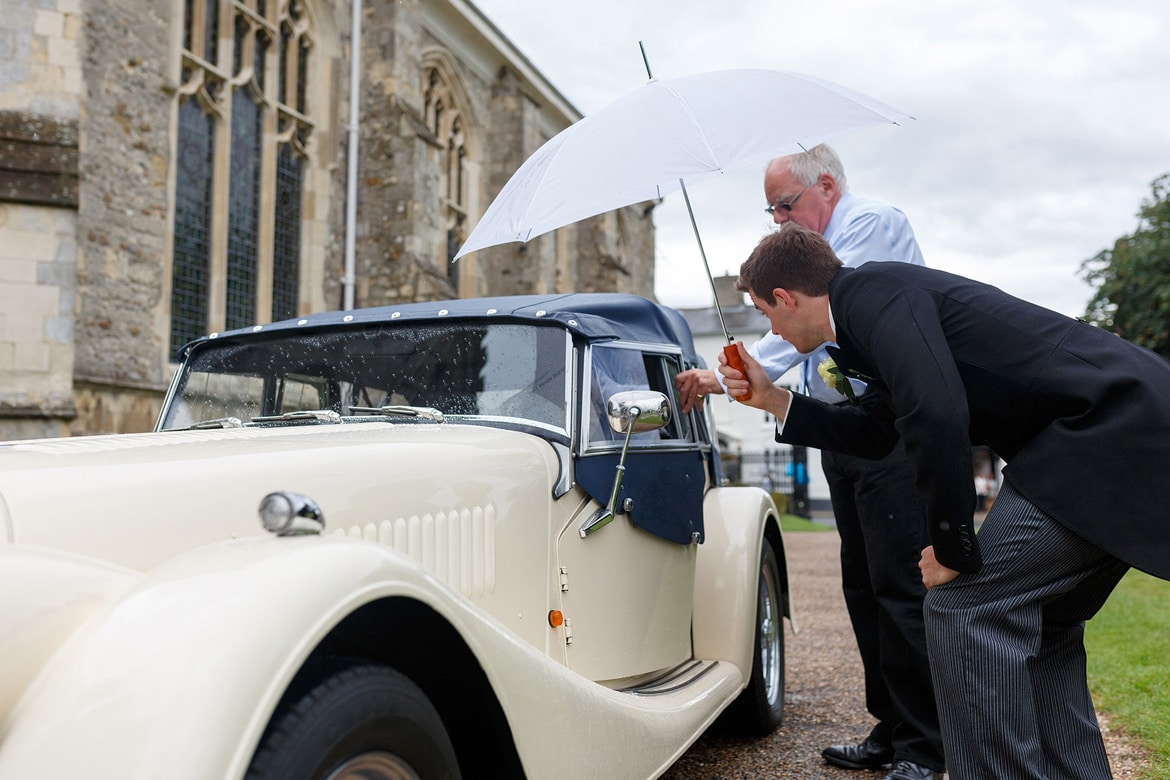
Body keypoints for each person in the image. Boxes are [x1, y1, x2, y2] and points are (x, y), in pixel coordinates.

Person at [719, 222, 1170, 780]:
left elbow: (936, 414)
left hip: (1101, 434)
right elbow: (883, 428)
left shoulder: (874, 294)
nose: (773, 330)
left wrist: (951, 546)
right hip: (1123, 430)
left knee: (964, 606)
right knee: (1045, 622)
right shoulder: (875, 309)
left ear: (785, 297)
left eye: (767, 314)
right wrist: (772, 398)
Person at [676, 145, 944, 780]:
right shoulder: (813, 237)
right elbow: (792, 321)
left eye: (786, 204)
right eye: (770, 209)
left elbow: (810, 311)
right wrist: (736, 376)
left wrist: (727, 375)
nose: (779, 220)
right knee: (862, 587)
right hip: (840, 430)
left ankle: (927, 746)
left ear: (827, 185)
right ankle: (893, 725)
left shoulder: (872, 224)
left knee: (902, 586)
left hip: (887, 427)